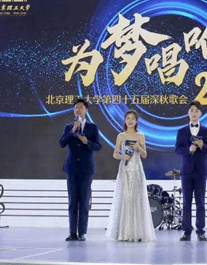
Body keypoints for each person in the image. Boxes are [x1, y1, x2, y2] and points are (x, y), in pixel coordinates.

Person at [106, 110, 156, 242]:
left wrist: (138, 147)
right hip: (125, 169)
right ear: (124, 120)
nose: (130, 121)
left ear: (136, 121)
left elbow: (144, 155)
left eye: (133, 118)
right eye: (128, 118)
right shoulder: (121, 136)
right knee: (125, 199)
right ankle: (124, 233)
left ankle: (137, 233)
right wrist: (123, 156)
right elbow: (115, 154)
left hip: (137, 170)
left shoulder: (140, 136)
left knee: (136, 198)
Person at [59, 98, 102, 241]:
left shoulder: (92, 127)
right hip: (71, 168)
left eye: (81, 107)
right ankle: (72, 232)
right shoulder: (68, 127)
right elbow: (62, 143)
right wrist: (72, 130)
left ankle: (82, 232)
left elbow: (98, 146)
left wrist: (87, 142)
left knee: (84, 201)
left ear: (86, 110)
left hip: (86, 169)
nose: (78, 110)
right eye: (76, 107)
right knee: (73, 201)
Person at [175, 101, 207, 241]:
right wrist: (188, 149)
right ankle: (186, 231)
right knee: (186, 203)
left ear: (200, 114)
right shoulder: (181, 131)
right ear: (188, 113)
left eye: (196, 110)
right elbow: (177, 149)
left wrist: (203, 146)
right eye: (191, 110)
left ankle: (200, 231)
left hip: (201, 171)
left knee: (200, 203)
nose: (194, 113)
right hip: (186, 171)